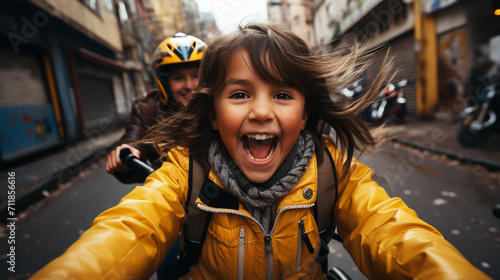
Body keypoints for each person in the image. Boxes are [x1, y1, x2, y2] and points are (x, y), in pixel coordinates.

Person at [32, 23, 490, 279]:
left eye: (283, 95)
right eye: (238, 94)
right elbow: (125, 233)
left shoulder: (334, 173)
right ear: (212, 114)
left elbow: (395, 235)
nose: (261, 112)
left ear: (307, 113)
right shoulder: (182, 170)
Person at [105, 32, 206, 184]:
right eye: (178, 77)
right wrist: (127, 152)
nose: (190, 86)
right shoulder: (146, 108)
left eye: (196, 75)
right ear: (163, 82)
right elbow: (133, 138)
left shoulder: (220, 104)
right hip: (170, 196)